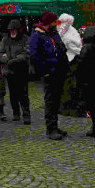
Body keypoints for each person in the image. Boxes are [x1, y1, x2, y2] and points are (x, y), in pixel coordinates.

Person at [29, 11, 69, 140]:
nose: (56, 23)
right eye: (54, 21)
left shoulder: (53, 34)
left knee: (56, 100)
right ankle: (50, 129)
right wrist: (44, 71)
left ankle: (55, 126)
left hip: (58, 72)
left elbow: (61, 49)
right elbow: (34, 56)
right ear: (48, 22)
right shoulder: (37, 35)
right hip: (48, 73)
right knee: (50, 101)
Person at [0, 19, 32, 124]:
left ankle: (26, 115)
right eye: (11, 30)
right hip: (10, 71)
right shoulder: (5, 39)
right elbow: (0, 53)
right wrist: (6, 60)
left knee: (24, 94)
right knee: (13, 94)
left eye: (14, 30)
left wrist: (15, 59)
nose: (12, 32)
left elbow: (27, 52)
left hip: (22, 71)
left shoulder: (25, 39)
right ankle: (16, 113)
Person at [57, 13, 83, 114]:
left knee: (70, 83)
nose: (59, 24)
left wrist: (66, 43)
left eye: (61, 22)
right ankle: (64, 103)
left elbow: (77, 47)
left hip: (71, 60)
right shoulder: (61, 30)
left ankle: (68, 104)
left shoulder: (71, 32)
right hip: (64, 60)